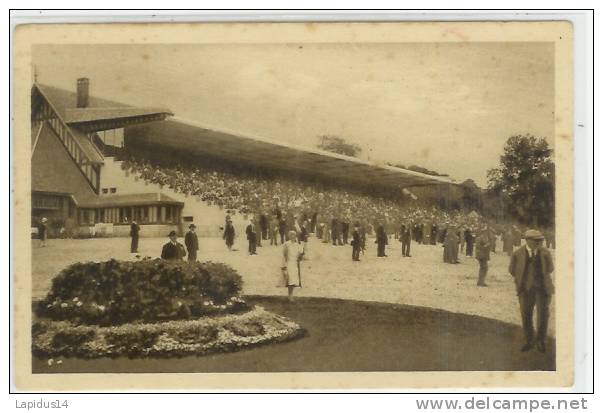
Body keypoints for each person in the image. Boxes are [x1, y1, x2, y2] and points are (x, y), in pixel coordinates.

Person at [509, 229, 555, 353]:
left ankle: (540, 341)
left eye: (540, 240)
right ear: (527, 240)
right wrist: (523, 280)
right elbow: (512, 270)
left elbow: (550, 268)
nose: (539, 243)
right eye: (536, 241)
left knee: (543, 315)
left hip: (543, 289)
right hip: (525, 290)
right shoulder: (517, 253)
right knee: (526, 315)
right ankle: (529, 340)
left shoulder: (545, 253)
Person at [281, 230, 303, 301]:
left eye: (294, 235)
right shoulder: (286, 244)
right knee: (290, 279)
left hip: (295, 264)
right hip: (289, 263)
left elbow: (301, 253)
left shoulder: (297, 245)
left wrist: (300, 255)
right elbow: (284, 254)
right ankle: (290, 296)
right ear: (289, 236)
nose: (293, 237)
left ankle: (291, 295)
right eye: (291, 235)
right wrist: (284, 264)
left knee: (293, 280)